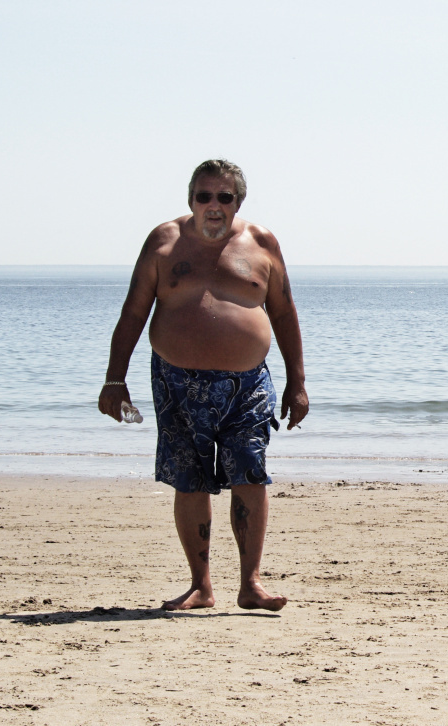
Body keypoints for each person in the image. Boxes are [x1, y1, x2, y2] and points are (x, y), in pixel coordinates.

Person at [98, 159, 308, 611]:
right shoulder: (164, 241)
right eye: (204, 196)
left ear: (238, 201)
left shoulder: (262, 242)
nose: (214, 206)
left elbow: (285, 312)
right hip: (176, 380)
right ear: (191, 198)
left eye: (224, 197)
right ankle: (201, 585)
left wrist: (297, 383)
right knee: (188, 479)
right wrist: (115, 378)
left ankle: (251, 583)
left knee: (249, 473)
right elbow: (133, 312)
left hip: (248, 383)